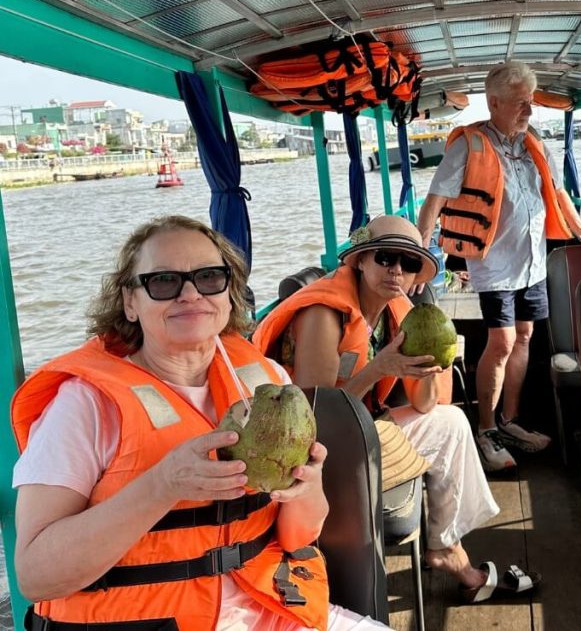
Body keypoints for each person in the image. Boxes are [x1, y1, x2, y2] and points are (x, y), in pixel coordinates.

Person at [11, 215, 391, 630]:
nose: (190, 294)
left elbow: (299, 535)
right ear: (130, 302)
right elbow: (36, 576)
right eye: (163, 282)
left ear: (229, 293)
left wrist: (305, 485)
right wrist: (162, 485)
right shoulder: (85, 405)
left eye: (209, 277)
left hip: (271, 607)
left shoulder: (267, 385)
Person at [252, 215, 535, 601]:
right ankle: (454, 558)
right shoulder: (324, 315)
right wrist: (379, 368)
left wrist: (431, 364)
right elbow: (316, 416)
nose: (397, 270)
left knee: (452, 422)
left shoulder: (395, 314)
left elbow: (425, 404)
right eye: (385, 258)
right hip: (312, 450)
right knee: (447, 429)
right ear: (360, 260)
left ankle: (445, 546)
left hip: (357, 427)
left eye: (409, 262)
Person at [417, 60, 581, 471]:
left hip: (533, 262)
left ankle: (510, 421)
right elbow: (435, 199)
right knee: (502, 342)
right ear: (494, 103)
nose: (529, 110)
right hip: (494, 263)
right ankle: (486, 429)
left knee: (526, 337)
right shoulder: (470, 144)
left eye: (530, 101)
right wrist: (421, 252)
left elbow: (559, 193)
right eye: (520, 103)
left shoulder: (533, 144)